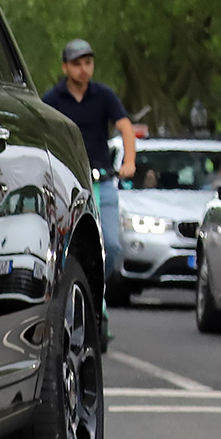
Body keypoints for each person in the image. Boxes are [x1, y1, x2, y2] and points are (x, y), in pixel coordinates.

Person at [42, 38, 140, 282]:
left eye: (88, 63)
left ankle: (93, 287)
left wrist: (129, 162)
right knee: (67, 245)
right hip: (68, 183)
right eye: (77, 64)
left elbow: (126, 128)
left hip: (103, 182)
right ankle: (67, 286)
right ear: (65, 68)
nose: (83, 69)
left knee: (111, 245)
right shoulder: (53, 99)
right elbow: (41, 133)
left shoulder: (104, 95)